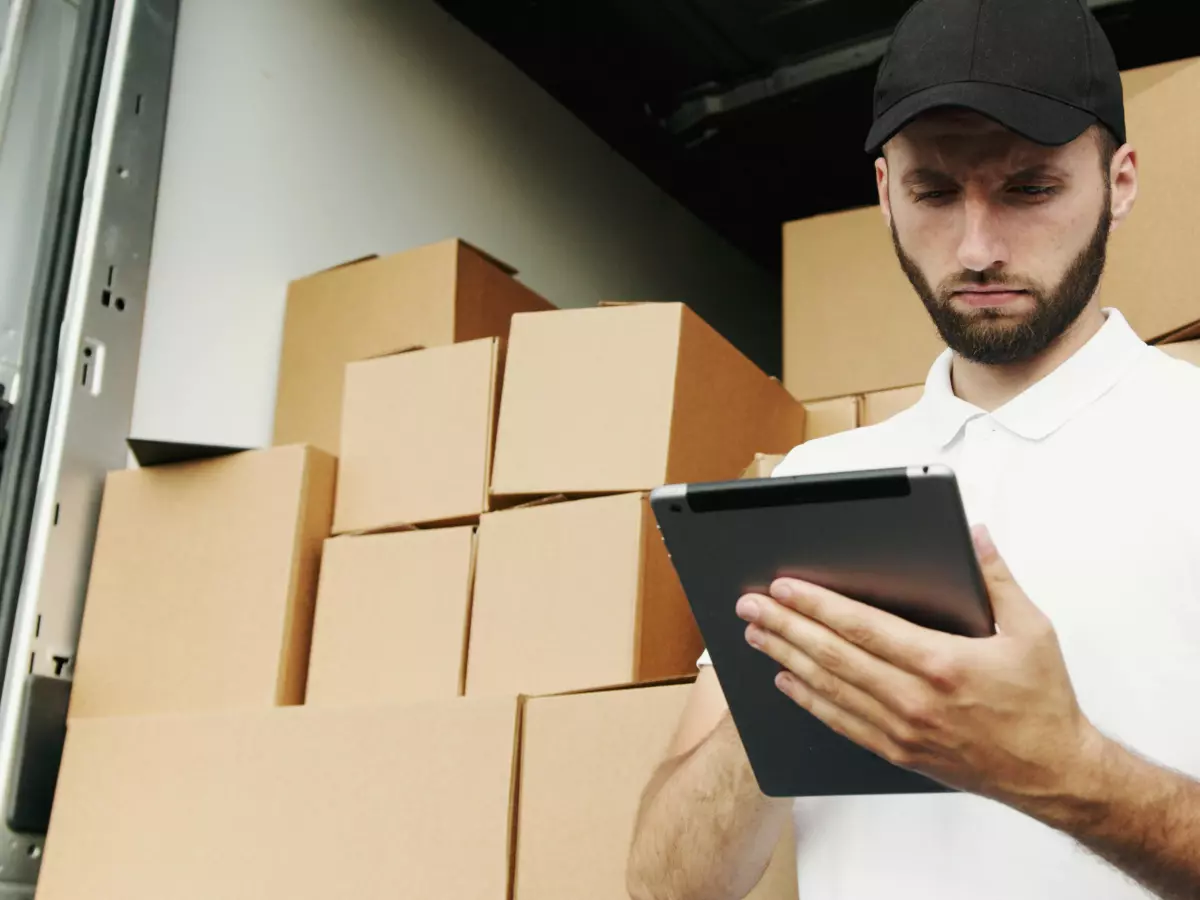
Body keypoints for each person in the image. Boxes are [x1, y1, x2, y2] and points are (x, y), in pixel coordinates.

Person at [625, 0, 1200, 897]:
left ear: (1120, 182)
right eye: (935, 192)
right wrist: (802, 676)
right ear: (887, 194)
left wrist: (1070, 769)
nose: (977, 249)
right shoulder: (816, 485)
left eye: (1029, 188)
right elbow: (670, 886)